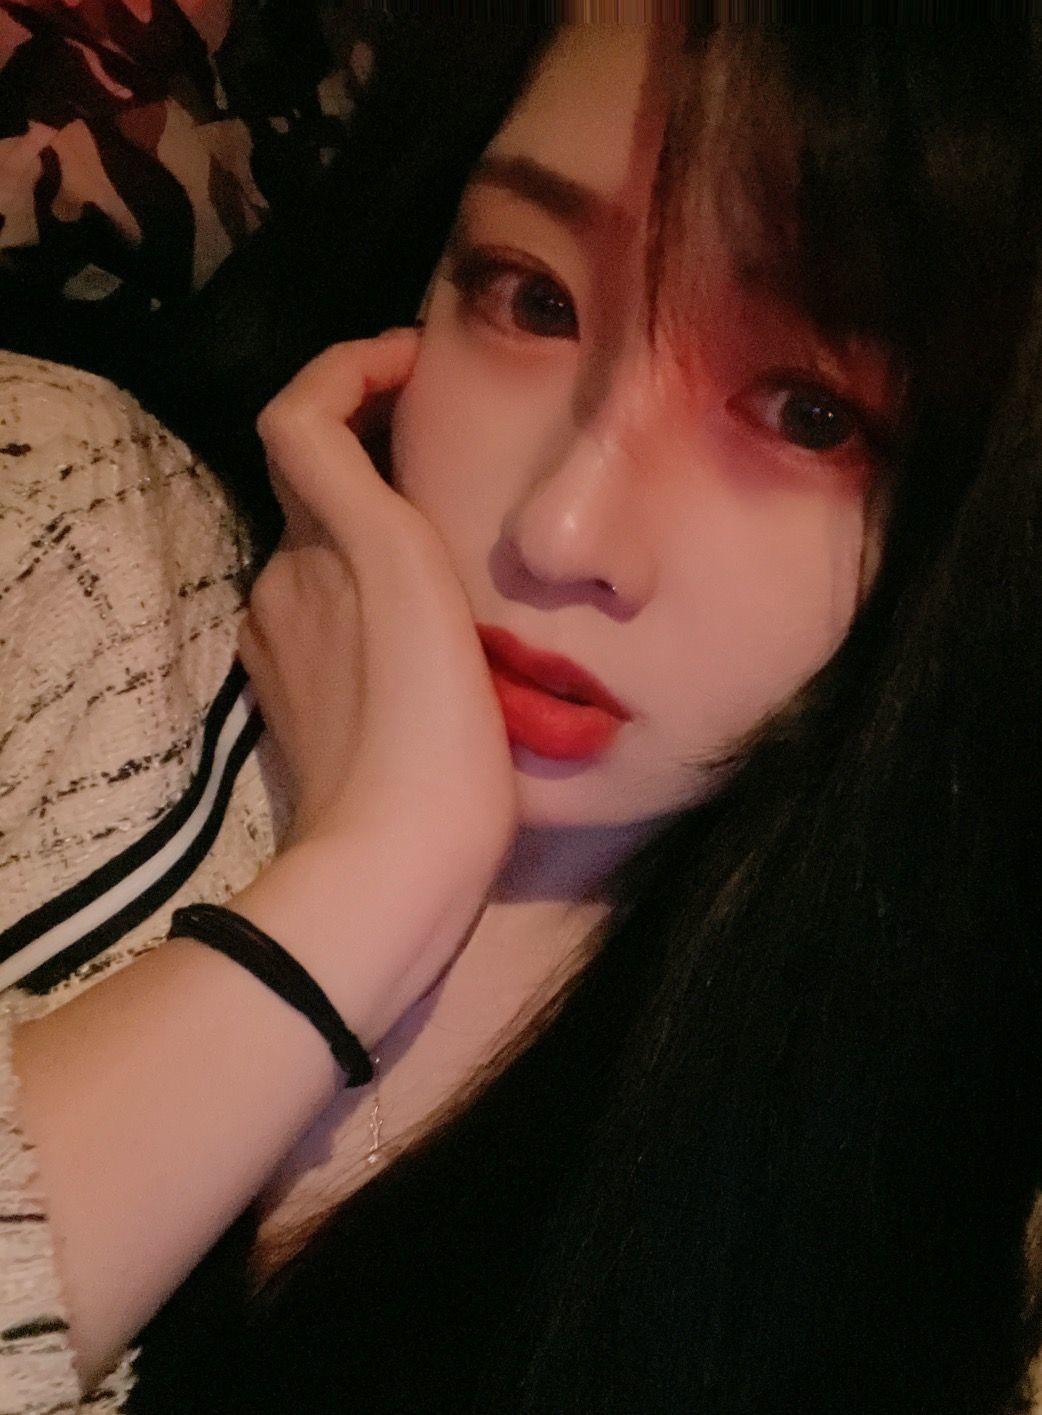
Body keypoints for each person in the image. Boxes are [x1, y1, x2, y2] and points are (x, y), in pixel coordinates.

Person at [0, 18, 1041, 1415]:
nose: (562, 532)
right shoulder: (54, 520)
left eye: (807, 413)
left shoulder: (882, 1201)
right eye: (533, 300)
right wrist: (367, 880)